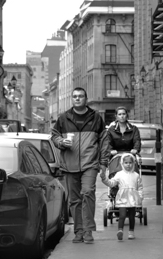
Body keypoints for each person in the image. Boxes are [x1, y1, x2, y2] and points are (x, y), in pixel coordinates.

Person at [51, 87, 108, 244]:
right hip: (69, 165)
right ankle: (79, 231)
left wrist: (103, 162)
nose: (77, 99)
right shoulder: (64, 118)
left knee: (88, 192)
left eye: (80, 96)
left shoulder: (96, 118)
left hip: (89, 164)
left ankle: (88, 230)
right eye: (75, 96)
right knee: (75, 200)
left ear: (86, 98)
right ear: (72, 99)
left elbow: (104, 141)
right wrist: (61, 142)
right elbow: (54, 136)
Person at [100, 153, 143, 240]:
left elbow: (140, 187)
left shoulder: (136, 175)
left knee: (132, 216)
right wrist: (104, 179)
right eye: (126, 163)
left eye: (130, 163)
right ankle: (120, 230)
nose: (128, 165)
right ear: (122, 164)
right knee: (122, 215)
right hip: (123, 197)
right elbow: (112, 183)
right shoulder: (119, 174)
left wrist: (140, 197)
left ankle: (131, 231)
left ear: (133, 163)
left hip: (133, 198)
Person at [105, 106, 141, 179]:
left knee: (132, 170)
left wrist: (135, 149)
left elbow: (137, 141)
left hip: (130, 154)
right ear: (116, 116)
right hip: (116, 155)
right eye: (120, 114)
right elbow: (108, 142)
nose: (122, 116)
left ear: (127, 115)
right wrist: (110, 150)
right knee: (116, 171)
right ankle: (115, 186)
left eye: (123, 114)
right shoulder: (111, 130)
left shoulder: (134, 129)